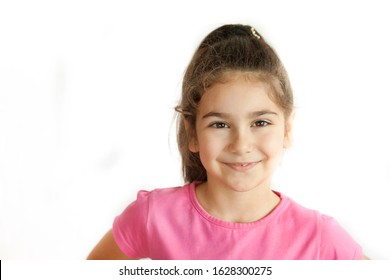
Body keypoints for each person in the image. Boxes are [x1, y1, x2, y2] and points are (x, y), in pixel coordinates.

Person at [87, 24, 367, 260]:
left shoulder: (319, 238)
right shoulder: (153, 217)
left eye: (260, 123)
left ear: (287, 128)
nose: (241, 144)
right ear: (193, 134)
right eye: (219, 124)